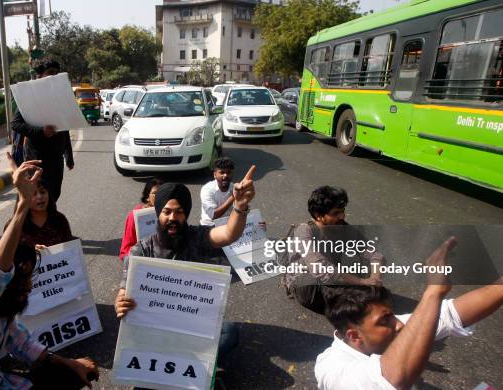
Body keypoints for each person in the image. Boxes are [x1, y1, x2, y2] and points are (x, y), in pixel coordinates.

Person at [0, 154, 99, 389]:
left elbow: (26, 346)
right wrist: (23, 203)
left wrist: (70, 364)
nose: (30, 286)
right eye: (22, 280)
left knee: (69, 376)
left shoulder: (5, 315)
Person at [315, 237, 503, 390]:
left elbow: (452, 313)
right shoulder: (332, 369)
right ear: (354, 336)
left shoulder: (385, 329)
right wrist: (433, 292)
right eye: (385, 320)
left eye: (391, 315)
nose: (399, 324)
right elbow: (392, 378)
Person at [114, 166, 257, 364]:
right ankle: (188, 363)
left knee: (229, 332)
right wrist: (120, 303)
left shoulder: (198, 237)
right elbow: (124, 292)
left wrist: (240, 205)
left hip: (193, 322)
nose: (173, 218)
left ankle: (188, 364)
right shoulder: (141, 250)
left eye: (179, 212)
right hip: (156, 329)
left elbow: (228, 234)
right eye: (167, 212)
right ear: (158, 214)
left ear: (186, 214)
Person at [280, 186, 383, 315]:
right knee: (359, 299)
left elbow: (373, 253)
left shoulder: (341, 226)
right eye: (336, 213)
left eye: (343, 211)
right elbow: (321, 269)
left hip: (331, 277)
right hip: (306, 281)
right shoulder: (304, 231)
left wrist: (375, 278)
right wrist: (362, 282)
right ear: (318, 215)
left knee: (370, 291)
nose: (342, 216)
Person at [10, 58, 74, 203]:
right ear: (40, 76)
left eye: (57, 73)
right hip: (36, 161)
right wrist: (41, 131)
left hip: (56, 161)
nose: (54, 76)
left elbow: (64, 127)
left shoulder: (60, 97)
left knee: (53, 198)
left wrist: (68, 154)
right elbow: (15, 124)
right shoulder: (30, 97)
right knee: (35, 199)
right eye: (50, 72)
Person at [15, 179, 76, 249]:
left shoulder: (59, 219)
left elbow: (70, 247)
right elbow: (6, 254)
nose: (39, 197)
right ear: (23, 198)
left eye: (42, 192)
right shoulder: (15, 226)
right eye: (33, 194)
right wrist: (31, 251)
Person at [119, 178, 163, 260]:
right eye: (155, 193)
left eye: (162, 193)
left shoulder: (171, 213)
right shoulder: (136, 216)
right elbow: (125, 250)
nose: (160, 196)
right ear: (147, 197)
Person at [200, 157, 235, 226]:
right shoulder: (207, 189)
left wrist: (256, 222)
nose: (225, 175)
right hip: (209, 226)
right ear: (215, 175)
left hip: (228, 226)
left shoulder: (234, 188)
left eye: (228, 172)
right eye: (222, 172)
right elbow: (213, 215)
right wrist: (233, 197)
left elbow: (243, 211)